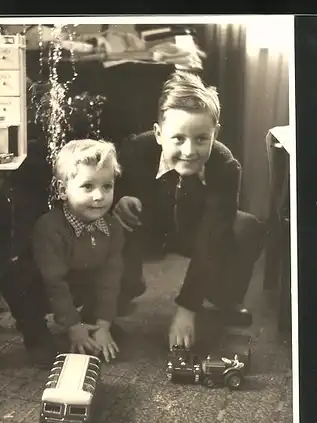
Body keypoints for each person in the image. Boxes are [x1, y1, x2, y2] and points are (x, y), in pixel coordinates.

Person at [113, 71, 264, 350]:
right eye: (178, 139)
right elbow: (109, 188)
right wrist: (118, 201)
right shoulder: (135, 148)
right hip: (148, 227)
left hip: (198, 229)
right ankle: (121, 290)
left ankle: (224, 297)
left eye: (201, 139)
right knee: (110, 224)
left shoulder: (227, 167)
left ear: (215, 134)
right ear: (158, 134)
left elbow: (213, 236)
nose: (189, 150)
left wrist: (187, 308)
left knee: (247, 226)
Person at [0, 139, 124, 366]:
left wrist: (103, 324)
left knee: (121, 277)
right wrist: (73, 328)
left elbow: (111, 279)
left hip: (77, 281)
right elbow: (54, 282)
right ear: (62, 190)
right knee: (18, 281)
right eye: (88, 186)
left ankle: (93, 324)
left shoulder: (113, 227)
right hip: (42, 287)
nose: (99, 196)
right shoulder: (49, 227)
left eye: (107, 186)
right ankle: (36, 334)